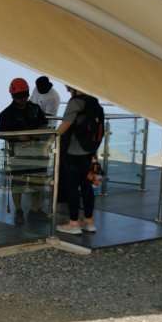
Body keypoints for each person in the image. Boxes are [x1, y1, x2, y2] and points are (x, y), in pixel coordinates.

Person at [0, 78, 49, 224]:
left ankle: (35, 209)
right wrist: (18, 137)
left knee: (38, 181)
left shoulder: (35, 109)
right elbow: (1, 133)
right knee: (18, 182)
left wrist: (35, 134)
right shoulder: (6, 114)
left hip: (37, 150)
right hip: (19, 151)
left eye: (24, 95)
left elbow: (44, 125)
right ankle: (19, 209)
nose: (22, 99)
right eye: (19, 96)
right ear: (13, 96)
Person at [56, 86, 105, 235]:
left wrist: (52, 137)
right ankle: (89, 222)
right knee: (87, 187)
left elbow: (66, 124)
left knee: (72, 187)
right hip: (90, 151)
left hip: (73, 151)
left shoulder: (75, 103)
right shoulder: (95, 103)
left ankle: (73, 223)